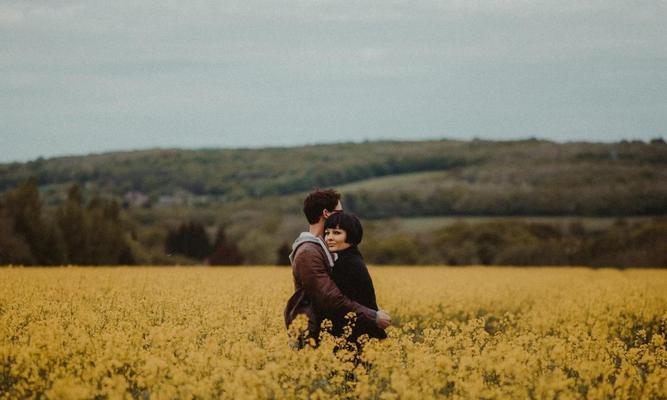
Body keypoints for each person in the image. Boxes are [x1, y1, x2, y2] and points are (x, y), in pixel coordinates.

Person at [284, 189, 391, 347]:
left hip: (329, 332)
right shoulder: (308, 252)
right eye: (339, 212)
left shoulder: (326, 247)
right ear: (327, 213)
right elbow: (329, 298)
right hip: (312, 335)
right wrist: (372, 316)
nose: (342, 216)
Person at [323, 212, 387, 343]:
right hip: (363, 333)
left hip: (357, 335)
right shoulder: (351, 258)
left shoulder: (347, 263)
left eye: (336, 233)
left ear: (351, 235)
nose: (329, 238)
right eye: (327, 233)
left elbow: (340, 303)